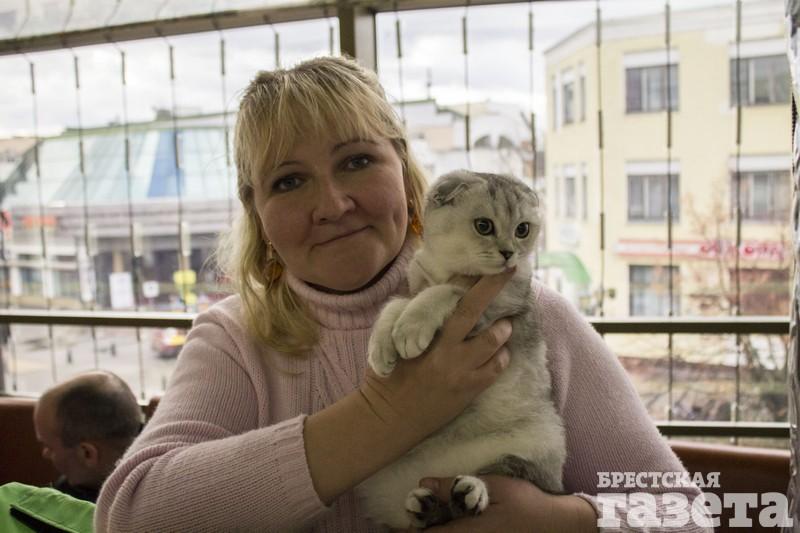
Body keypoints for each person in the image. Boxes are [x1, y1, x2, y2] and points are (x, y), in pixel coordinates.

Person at [95, 56, 709, 532]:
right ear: (257, 213)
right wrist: (390, 414)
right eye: (288, 181)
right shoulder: (234, 340)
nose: (333, 204)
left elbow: (685, 513)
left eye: (357, 161)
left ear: (406, 174)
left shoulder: (524, 309)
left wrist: (564, 520)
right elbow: (129, 517)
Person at [33, 370, 143, 503]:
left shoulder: (67, 508)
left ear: (87, 453)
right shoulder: (161, 479)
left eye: (50, 447)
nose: (45, 453)